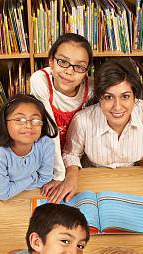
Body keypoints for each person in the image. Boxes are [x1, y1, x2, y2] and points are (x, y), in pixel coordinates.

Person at [49, 59, 143, 222]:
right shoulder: (83, 119)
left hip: (132, 183)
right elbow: (71, 154)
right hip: (92, 183)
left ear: (134, 96)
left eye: (125, 96)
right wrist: (72, 176)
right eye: (108, 97)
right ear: (99, 98)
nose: (117, 107)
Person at [30, 33, 94, 193]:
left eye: (79, 66)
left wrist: (71, 172)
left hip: (75, 160)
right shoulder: (40, 80)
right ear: (51, 61)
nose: (69, 72)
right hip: (46, 159)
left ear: (86, 71)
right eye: (62, 62)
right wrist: (59, 175)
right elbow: (51, 130)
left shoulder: (91, 89)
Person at [0, 94, 58, 200]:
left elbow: (45, 179)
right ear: (5, 123)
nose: (28, 126)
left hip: (20, 194)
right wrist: (33, 177)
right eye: (19, 120)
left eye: (35, 120)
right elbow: (3, 194)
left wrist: (13, 185)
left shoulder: (46, 143)